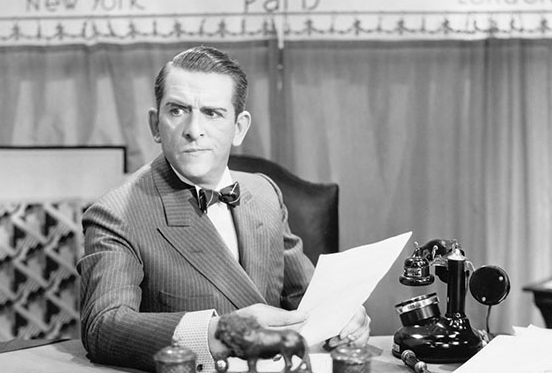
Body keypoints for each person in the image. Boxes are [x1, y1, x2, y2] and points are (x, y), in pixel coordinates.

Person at [77, 46, 369, 372]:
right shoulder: (116, 212)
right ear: (155, 124)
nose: (193, 129)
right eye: (177, 111)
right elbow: (103, 326)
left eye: (212, 113)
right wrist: (225, 332)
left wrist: (343, 317)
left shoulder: (264, 192)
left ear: (240, 127)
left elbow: (305, 296)